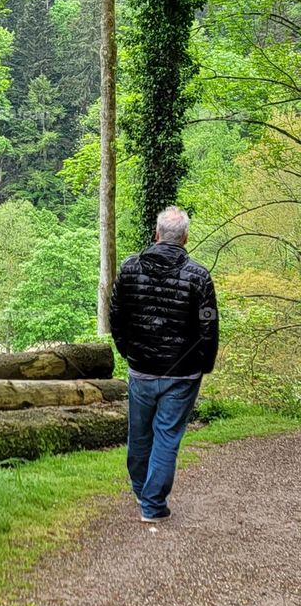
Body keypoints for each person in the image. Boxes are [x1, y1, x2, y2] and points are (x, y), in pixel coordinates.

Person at [109, 205, 218, 523]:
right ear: (184, 238)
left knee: (140, 433)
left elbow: (116, 315)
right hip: (182, 373)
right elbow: (208, 324)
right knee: (167, 435)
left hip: (142, 368)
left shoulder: (130, 268)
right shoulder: (199, 277)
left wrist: (127, 351)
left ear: (157, 235)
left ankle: (143, 491)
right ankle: (152, 504)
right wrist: (205, 363)